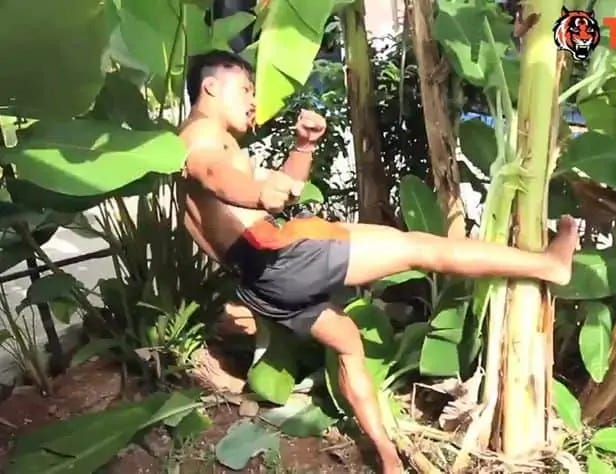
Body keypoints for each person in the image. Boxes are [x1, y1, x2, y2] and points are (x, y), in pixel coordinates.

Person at [178, 49, 580, 474]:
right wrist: (258, 193)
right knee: (420, 248)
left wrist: (302, 148)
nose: (253, 100)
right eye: (245, 89)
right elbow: (214, 174)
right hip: (281, 259)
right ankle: (547, 265)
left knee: (349, 344)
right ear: (210, 87)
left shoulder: (196, 143)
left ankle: (387, 459)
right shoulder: (202, 136)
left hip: (263, 284)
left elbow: (275, 191)